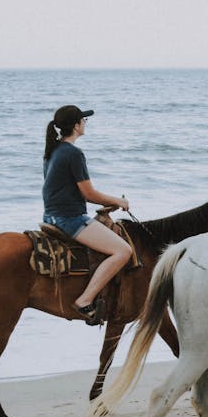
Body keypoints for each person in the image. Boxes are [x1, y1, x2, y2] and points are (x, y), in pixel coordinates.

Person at [41, 105, 132, 325]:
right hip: (69, 218)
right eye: (84, 120)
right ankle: (85, 300)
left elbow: (69, 191)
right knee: (123, 251)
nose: (85, 124)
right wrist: (118, 201)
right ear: (76, 125)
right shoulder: (73, 153)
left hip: (51, 215)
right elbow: (88, 193)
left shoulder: (53, 150)